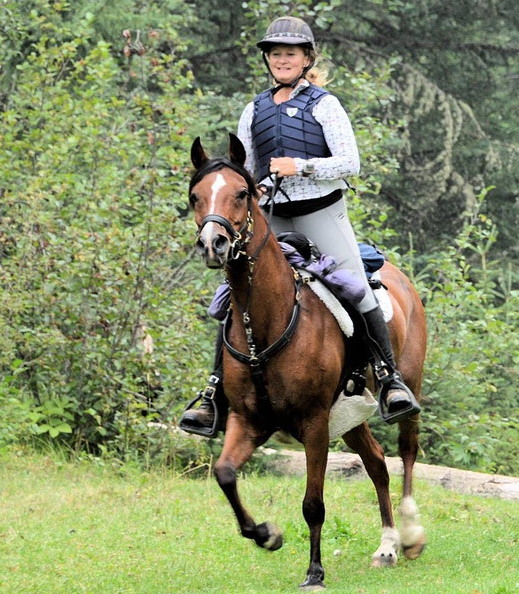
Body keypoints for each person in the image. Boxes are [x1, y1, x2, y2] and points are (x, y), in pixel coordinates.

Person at [179, 16, 420, 436]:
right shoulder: (253, 109)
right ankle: (214, 393)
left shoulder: (325, 105)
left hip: (321, 212)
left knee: (358, 288)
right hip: (272, 214)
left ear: (307, 58)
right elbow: (246, 174)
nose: (282, 60)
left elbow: (351, 162)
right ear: (268, 61)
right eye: (276, 54)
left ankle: (389, 380)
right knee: (229, 297)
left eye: (290, 53)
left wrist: (301, 165)